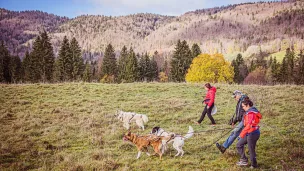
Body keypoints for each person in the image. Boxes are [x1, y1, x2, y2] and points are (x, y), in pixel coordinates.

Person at [236, 98, 262, 169]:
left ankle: (254, 165)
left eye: (243, 106)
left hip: (253, 133)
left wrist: (241, 135)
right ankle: (244, 160)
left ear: (247, 105)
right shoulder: (249, 112)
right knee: (239, 144)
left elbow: (249, 125)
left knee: (251, 149)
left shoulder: (251, 113)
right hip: (249, 132)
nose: (243, 108)